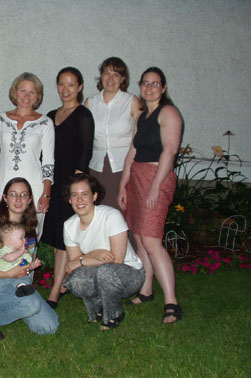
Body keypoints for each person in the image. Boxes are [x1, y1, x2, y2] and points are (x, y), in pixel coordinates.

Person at [117, 67, 183, 324]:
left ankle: (172, 304)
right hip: (137, 177)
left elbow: (169, 151)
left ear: (163, 88)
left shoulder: (169, 113)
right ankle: (146, 291)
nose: (149, 87)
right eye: (145, 83)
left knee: (152, 239)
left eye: (155, 84)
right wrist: (123, 185)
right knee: (139, 236)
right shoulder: (143, 116)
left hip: (157, 177)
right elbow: (132, 152)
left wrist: (156, 185)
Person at [0, 177, 59, 340]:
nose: (18, 199)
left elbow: (25, 261)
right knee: (30, 305)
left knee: (49, 327)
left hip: (17, 283)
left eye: (23, 195)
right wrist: (9, 274)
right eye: (13, 194)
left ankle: (11, 306)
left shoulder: (31, 227)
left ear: (29, 200)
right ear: (5, 198)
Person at [41, 67, 94, 309]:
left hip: (70, 186)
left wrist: (75, 193)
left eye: (71, 84)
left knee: (65, 239)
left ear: (80, 87)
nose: (65, 89)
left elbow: (84, 156)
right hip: (51, 183)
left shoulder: (83, 116)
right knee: (55, 239)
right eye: (61, 84)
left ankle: (55, 291)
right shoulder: (51, 115)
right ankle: (62, 281)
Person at [62, 173, 144, 330]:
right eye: (75, 195)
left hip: (130, 273)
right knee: (77, 279)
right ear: (70, 199)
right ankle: (97, 309)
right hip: (100, 270)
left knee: (106, 271)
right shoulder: (69, 226)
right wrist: (94, 254)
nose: (80, 200)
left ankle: (114, 315)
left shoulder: (111, 216)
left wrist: (84, 259)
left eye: (85, 194)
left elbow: (117, 259)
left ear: (94, 196)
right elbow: (74, 264)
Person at [0, 72, 54, 239]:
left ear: (38, 96)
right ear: (14, 92)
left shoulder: (45, 123)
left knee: (28, 240)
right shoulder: (0, 119)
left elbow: (48, 162)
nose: (27, 96)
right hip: (2, 187)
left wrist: (46, 194)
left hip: (33, 190)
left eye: (32, 92)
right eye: (23, 90)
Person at [85, 57, 141, 210]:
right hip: (96, 167)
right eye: (106, 73)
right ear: (101, 76)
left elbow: (140, 136)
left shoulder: (131, 101)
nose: (110, 78)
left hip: (123, 167)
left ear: (122, 78)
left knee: (119, 210)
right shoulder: (91, 102)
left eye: (116, 74)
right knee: (97, 210)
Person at [0, 221, 42, 328]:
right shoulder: (4, 250)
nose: (25, 240)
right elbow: (10, 258)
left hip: (15, 279)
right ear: (9, 241)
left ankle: (21, 288)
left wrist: (33, 265)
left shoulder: (25, 252)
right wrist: (21, 252)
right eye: (21, 238)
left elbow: (26, 266)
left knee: (25, 279)